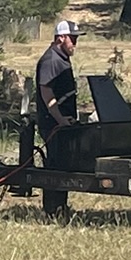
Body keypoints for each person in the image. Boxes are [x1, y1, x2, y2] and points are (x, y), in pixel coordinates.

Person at [34, 19, 80, 167]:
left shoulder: (61, 58)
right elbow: (46, 92)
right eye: (72, 38)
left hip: (63, 123)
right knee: (56, 171)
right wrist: (60, 120)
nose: (75, 43)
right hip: (53, 125)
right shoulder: (51, 60)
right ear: (61, 37)